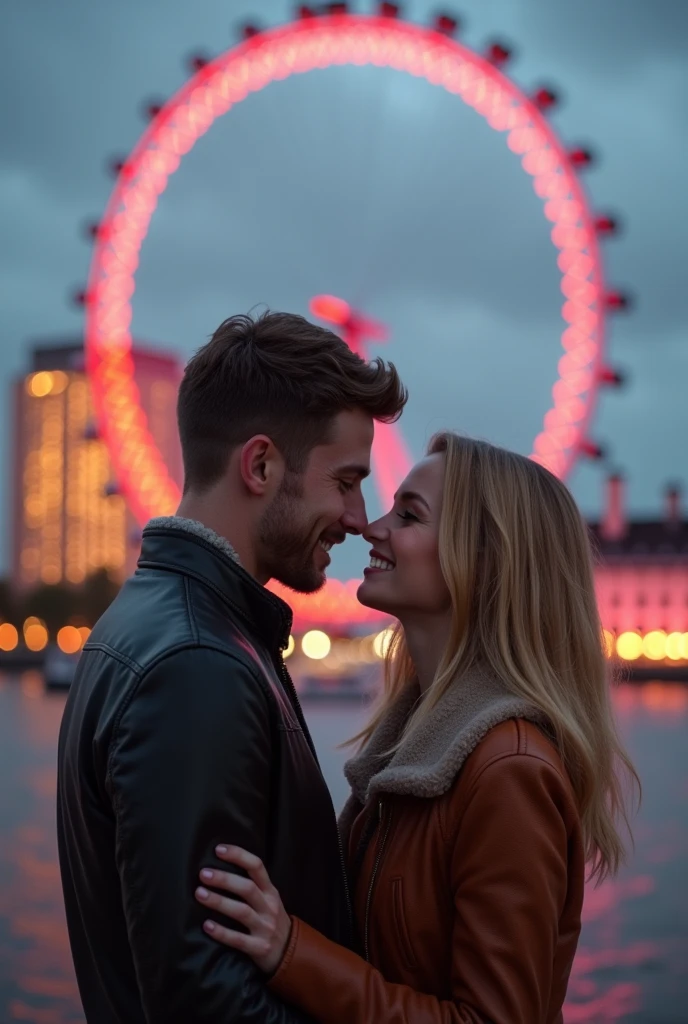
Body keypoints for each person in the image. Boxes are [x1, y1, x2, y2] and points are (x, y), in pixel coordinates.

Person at [195, 433, 640, 1024]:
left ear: (481, 560)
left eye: (408, 515)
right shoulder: (412, 749)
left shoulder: (508, 771)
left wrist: (292, 953)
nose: (369, 527)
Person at [56, 310, 408, 1023]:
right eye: (345, 480)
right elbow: (206, 1000)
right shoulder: (196, 668)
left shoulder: (158, 628)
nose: (359, 516)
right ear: (260, 465)